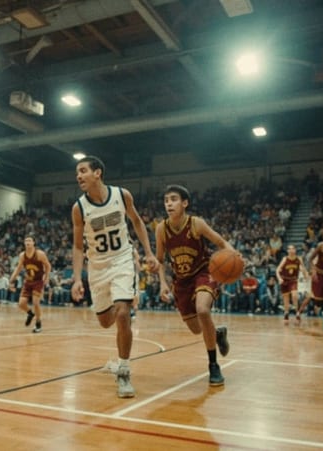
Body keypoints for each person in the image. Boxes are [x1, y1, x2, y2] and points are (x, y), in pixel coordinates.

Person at [70, 156, 159, 398]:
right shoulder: (79, 208)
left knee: (122, 312)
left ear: (97, 173)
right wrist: (77, 278)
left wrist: (149, 252)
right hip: (97, 268)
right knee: (105, 321)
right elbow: (78, 247)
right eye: (77, 172)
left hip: (122, 260)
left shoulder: (122, 195)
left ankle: (124, 370)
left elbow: (138, 222)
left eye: (83, 171)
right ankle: (125, 307)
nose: (78, 176)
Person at [155, 185, 233, 386]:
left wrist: (234, 256)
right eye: (166, 200)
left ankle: (213, 365)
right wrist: (162, 283)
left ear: (185, 203)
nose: (169, 203)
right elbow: (160, 260)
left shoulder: (196, 224)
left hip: (203, 272)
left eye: (173, 199)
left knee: (203, 310)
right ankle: (217, 333)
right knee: (197, 329)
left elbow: (221, 242)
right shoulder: (161, 229)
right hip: (181, 281)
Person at [9, 235, 51, 333]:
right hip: (28, 281)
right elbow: (19, 268)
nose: (27, 242)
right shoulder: (22, 255)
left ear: (33, 243)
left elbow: (48, 266)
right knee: (21, 304)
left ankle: (38, 323)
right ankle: (30, 313)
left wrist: (47, 276)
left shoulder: (40, 254)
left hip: (38, 281)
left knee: (36, 302)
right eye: (26, 240)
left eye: (30, 240)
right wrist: (12, 278)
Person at [276, 244, 309, 324]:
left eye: (292, 249)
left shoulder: (299, 259)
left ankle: (297, 311)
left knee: (294, 295)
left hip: (293, 280)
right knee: (286, 298)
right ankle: (286, 313)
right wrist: (279, 278)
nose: (291, 250)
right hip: (284, 280)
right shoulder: (285, 259)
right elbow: (277, 270)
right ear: (287, 251)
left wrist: (306, 276)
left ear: (295, 250)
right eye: (289, 249)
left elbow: (303, 268)